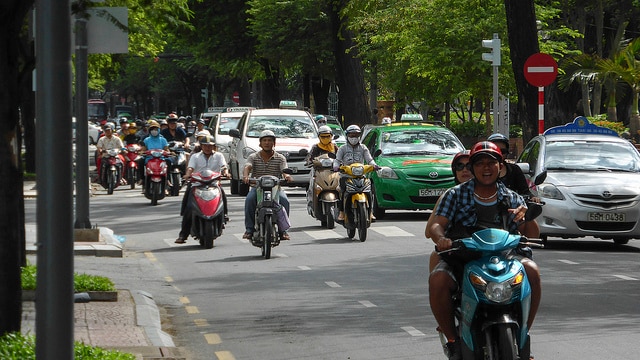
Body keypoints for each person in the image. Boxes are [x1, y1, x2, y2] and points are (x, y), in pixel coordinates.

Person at [426, 141, 541, 360]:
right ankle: (453, 341)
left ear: (501, 166)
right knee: (438, 279)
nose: (486, 168)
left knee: (533, 271)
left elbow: (531, 235)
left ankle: (524, 333)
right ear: (472, 167)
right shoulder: (455, 195)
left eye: (491, 163)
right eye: (480, 164)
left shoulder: (512, 197)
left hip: (505, 260)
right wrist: (441, 239)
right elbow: (436, 225)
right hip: (463, 258)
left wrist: (526, 216)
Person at [175, 135, 229, 244]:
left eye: (210, 146)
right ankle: (183, 235)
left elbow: (224, 166)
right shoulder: (195, 156)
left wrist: (226, 173)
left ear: (213, 146)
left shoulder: (219, 156)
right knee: (189, 206)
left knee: (223, 195)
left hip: (214, 184)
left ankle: (225, 215)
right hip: (197, 184)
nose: (207, 148)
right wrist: (188, 174)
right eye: (205, 146)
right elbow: (191, 168)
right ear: (201, 146)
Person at [425, 150, 472, 272]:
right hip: (458, 250)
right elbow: (429, 231)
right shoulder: (451, 195)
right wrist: (443, 240)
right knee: (436, 261)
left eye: (469, 166)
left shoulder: (503, 194)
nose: (464, 170)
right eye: (459, 166)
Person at [242, 130, 293, 240]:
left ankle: (283, 230)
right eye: (264, 140)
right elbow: (247, 166)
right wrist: (246, 176)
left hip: (275, 189)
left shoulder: (280, 158)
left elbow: (284, 170)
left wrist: (287, 176)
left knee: (285, 201)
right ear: (260, 143)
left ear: (274, 143)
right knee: (249, 200)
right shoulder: (253, 157)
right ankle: (249, 229)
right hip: (258, 188)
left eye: (270, 140)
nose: (267, 143)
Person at [333, 124, 379, 221]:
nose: (354, 138)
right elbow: (337, 160)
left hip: (361, 175)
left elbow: (369, 159)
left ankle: (370, 212)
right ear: (347, 136)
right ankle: (341, 212)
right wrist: (336, 167)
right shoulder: (342, 148)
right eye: (351, 135)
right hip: (346, 175)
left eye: (356, 135)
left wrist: (374, 165)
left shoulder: (363, 148)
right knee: (343, 191)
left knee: (369, 191)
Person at [305, 125, 339, 207]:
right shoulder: (316, 147)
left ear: (331, 136)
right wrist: (311, 162)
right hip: (319, 171)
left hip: (332, 172)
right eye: (323, 137)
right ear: (319, 137)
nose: (325, 138)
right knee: (311, 184)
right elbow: (309, 158)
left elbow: (340, 157)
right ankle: (311, 201)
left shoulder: (334, 147)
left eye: (328, 136)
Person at [136, 120, 169, 184]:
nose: (154, 131)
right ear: (150, 131)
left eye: (156, 129)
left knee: (169, 161)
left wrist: (169, 153)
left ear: (159, 130)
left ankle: (167, 180)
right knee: (140, 161)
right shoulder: (147, 140)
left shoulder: (163, 140)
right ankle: (142, 178)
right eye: (152, 129)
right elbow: (143, 149)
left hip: (161, 158)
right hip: (149, 158)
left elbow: (166, 149)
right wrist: (141, 152)